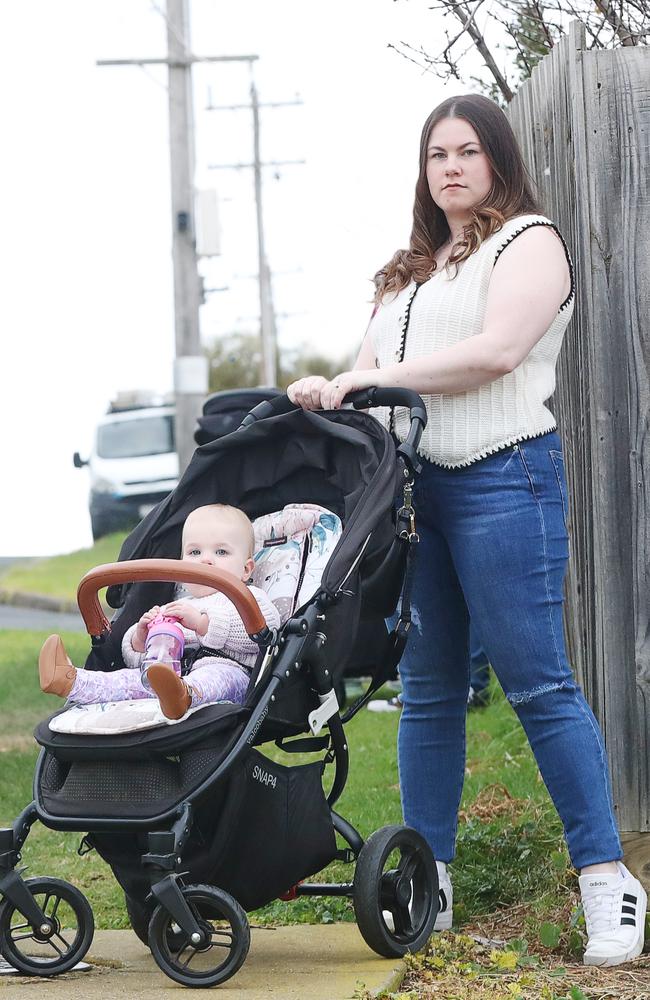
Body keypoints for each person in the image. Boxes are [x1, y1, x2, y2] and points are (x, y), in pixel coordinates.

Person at [287, 94, 646, 967]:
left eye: (468, 152)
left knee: (538, 685)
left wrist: (369, 379)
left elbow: (494, 352)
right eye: (436, 154)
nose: (450, 167)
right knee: (431, 692)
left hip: (502, 475)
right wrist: (328, 392)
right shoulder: (409, 269)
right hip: (414, 495)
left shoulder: (532, 242)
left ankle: (609, 885)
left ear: (498, 161)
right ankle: (428, 880)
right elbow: (365, 380)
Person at [39, 504, 280, 720]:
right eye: (195, 553)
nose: (206, 560)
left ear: (246, 569)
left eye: (221, 552)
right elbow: (146, 656)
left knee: (214, 677)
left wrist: (202, 624)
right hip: (166, 675)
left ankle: (183, 695)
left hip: (229, 672)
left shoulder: (248, 598)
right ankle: (72, 680)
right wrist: (141, 638)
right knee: (128, 679)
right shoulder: (175, 603)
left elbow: (264, 632)